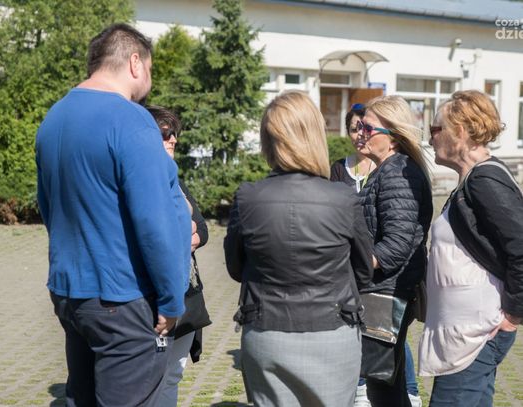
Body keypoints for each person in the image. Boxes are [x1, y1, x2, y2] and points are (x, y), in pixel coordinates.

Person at [36, 24, 191, 406]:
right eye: (150, 69)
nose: (149, 80)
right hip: (121, 298)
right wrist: (172, 300)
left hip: (71, 293)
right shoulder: (131, 119)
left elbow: (48, 208)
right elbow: (156, 222)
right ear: (134, 62)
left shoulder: (54, 118)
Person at [224, 91, 374, 407]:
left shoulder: (247, 197)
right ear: (315, 136)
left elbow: (236, 268)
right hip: (332, 331)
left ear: (268, 140)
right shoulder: (343, 198)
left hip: (266, 331)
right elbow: (363, 272)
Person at [418, 90, 523, 406]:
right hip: (463, 336)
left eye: (436, 129)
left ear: (460, 132)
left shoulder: (484, 180)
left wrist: (513, 315)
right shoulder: (471, 181)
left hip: (474, 336)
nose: (431, 138)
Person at [355, 95, 433, 407]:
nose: (360, 133)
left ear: (394, 138)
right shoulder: (388, 169)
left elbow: (396, 245)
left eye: (368, 128)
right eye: (359, 126)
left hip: (386, 293)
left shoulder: (398, 172)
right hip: (384, 290)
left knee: (381, 387)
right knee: (387, 383)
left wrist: (351, 265)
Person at [146, 106, 212, 406]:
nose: (173, 139)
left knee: (173, 374)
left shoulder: (175, 179)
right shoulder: (141, 182)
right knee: (152, 376)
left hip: (187, 297)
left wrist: (188, 236)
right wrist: (185, 235)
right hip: (157, 301)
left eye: (175, 134)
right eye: (165, 134)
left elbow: (202, 228)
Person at [330, 103, 377, 192]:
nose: (360, 134)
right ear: (348, 133)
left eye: (366, 129)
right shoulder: (339, 168)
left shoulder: (384, 166)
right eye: (354, 130)